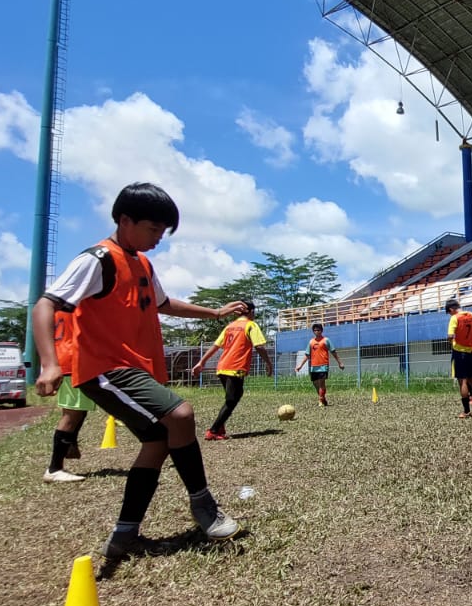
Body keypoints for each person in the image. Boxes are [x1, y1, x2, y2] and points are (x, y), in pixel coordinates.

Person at [31, 182, 246, 560]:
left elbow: (163, 304)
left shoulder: (142, 263)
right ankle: (205, 508)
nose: (158, 238)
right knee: (180, 414)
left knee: (158, 442)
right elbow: (45, 305)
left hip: (133, 369)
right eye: (153, 229)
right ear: (125, 220)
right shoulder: (98, 259)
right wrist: (49, 363)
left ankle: (124, 536)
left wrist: (214, 313)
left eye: (163, 232)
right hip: (105, 368)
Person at [190, 302, 275, 440]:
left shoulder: (230, 326)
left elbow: (216, 346)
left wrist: (202, 361)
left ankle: (220, 426)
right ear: (251, 312)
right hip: (235, 368)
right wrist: (269, 363)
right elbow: (259, 346)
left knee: (234, 396)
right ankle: (213, 431)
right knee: (232, 399)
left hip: (222, 367)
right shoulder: (250, 325)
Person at [43, 308, 95, 482]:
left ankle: (70, 444)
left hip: (65, 361)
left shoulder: (58, 307)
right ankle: (54, 468)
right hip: (74, 362)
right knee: (71, 414)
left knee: (78, 410)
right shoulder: (79, 306)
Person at [445, 299, 472, 418]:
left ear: (451, 309)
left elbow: (450, 335)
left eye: (449, 312)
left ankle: (466, 411)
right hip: (470, 351)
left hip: (459, 352)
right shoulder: (471, 315)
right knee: (471, 379)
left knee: (462, 381)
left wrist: (452, 340)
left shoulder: (454, 318)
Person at [293, 324, 344, 406]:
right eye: (315, 330)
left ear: (321, 331)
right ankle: (323, 398)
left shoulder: (326, 340)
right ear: (313, 331)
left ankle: (320, 400)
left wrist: (340, 362)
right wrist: (300, 366)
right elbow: (307, 355)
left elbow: (333, 352)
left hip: (323, 365)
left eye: (318, 330)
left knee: (321, 383)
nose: (317, 332)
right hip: (314, 366)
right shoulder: (311, 342)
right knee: (315, 384)